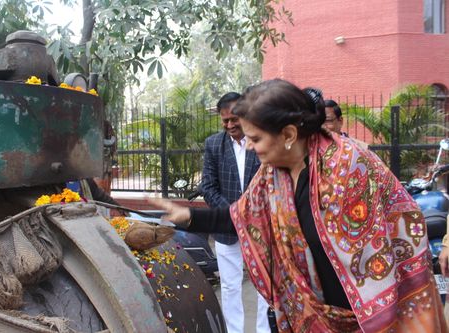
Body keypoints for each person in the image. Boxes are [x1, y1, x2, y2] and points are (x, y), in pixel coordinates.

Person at [149, 79, 447, 332]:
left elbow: (372, 270)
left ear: (289, 135)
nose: (250, 146)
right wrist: (187, 216)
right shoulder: (273, 175)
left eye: (255, 138)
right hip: (314, 315)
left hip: (370, 318)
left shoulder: (349, 168)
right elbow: (243, 217)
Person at [202, 92, 269, 333]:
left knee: (265, 285)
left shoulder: (262, 141)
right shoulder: (213, 145)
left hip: (261, 227)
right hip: (226, 228)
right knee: (230, 287)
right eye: (225, 121)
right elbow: (207, 187)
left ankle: (264, 330)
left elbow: (273, 183)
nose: (230, 125)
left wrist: (253, 214)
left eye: (234, 119)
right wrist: (233, 213)